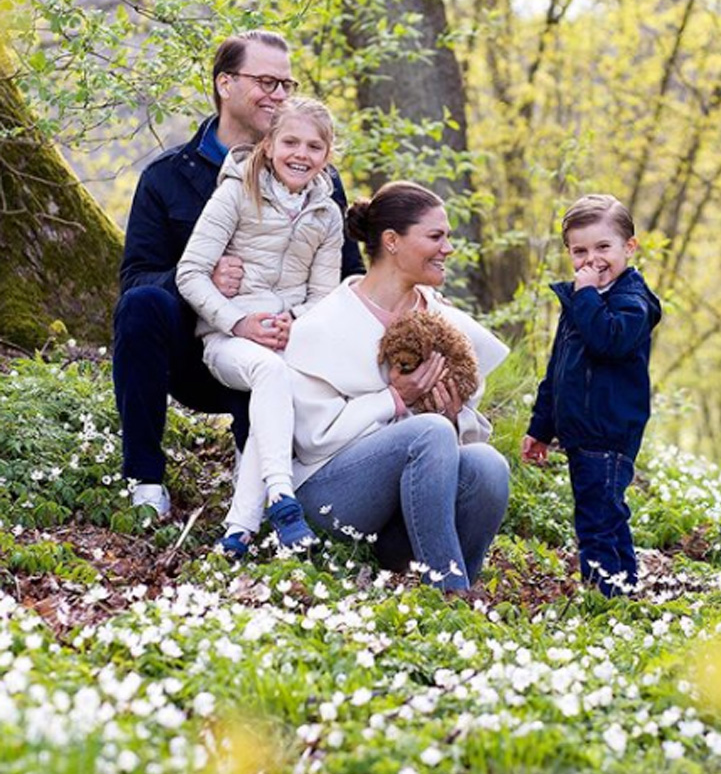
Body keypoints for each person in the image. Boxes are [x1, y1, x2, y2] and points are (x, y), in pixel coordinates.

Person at [113, 29, 363, 519]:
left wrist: (302, 318)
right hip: (197, 348)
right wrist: (210, 282)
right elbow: (136, 278)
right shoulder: (166, 177)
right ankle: (144, 480)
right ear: (225, 84)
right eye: (266, 81)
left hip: (281, 345)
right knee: (142, 306)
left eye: (287, 85)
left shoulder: (318, 183)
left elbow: (345, 276)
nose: (279, 95)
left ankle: (267, 485)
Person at [280, 181, 510, 591]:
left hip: (406, 516)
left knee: (488, 465)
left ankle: (452, 590)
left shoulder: (443, 320)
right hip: (334, 500)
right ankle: (451, 593)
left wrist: (453, 417)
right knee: (430, 431)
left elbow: (454, 436)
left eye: (449, 238)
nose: (448, 249)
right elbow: (313, 440)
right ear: (391, 241)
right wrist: (394, 400)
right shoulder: (325, 323)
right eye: (435, 237)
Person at [176, 97, 342, 555]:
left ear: (326, 156)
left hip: (286, 342)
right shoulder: (234, 193)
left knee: (283, 385)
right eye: (290, 142)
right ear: (268, 145)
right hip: (228, 342)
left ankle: (237, 532)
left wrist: (296, 321)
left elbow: (323, 296)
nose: (300, 154)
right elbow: (189, 273)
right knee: (271, 374)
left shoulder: (327, 215)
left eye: (314, 146)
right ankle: (283, 499)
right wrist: (239, 322)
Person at [521, 194, 662, 596]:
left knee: (597, 520)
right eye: (579, 250)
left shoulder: (632, 302)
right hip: (581, 432)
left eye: (604, 247)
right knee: (605, 516)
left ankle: (605, 597)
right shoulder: (581, 300)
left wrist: (583, 296)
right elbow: (557, 370)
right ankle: (623, 590)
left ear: (628, 248)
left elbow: (609, 341)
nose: (591, 259)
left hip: (609, 430)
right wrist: (540, 428)